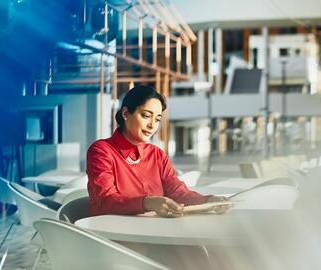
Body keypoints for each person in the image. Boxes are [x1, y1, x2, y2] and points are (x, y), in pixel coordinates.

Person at [86, 85, 230, 217]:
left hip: (153, 231)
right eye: (146, 116)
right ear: (125, 113)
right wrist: (148, 203)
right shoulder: (101, 151)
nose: (152, 126)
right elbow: (106, 201)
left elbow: (177, 192)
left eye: (157, 119)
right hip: (110, 235)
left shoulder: (157, 154)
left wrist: (208, 201)